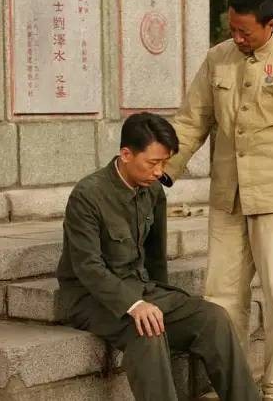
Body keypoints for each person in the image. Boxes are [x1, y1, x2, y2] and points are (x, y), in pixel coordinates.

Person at [163, 0, 273, 400]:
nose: (237, 38)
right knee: (220, 299)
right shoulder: (217, 58)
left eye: (246, 32)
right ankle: (233, 387)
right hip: (228, 196)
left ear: (270, 24)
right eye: (232, 29)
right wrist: (163, 170)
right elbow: (191, 120)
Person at [56, 112, 261, 401]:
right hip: (89, 298)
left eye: (164, 163)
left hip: (141, 289)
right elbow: (88, 267)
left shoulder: (153, 191)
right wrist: (134, 305)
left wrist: (157, 302)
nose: (159, 172)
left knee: (213, 318)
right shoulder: (88, 195)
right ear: (126, 154)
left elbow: (155, 260)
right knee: (148, 331)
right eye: (153, 163)